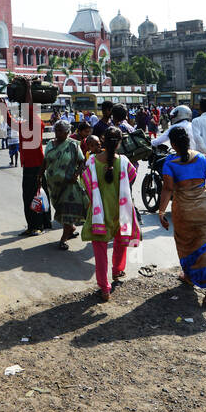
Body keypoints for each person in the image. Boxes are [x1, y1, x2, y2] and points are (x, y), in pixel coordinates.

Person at [158, 126, 206, 307]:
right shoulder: (202, 157)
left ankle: (188, 275)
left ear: (173, 144)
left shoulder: (169, 163)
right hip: (205, 209)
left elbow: (167, 189)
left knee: (185, 243)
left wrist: (160, 212)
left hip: (183, 211)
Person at [81, 127, 141, 302]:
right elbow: (131, 177)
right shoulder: (124, 161)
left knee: (100, 250)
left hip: (100, 212)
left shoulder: (92, 161)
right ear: (120, 142)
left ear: (103, 140)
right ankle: (117, 270)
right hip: (120, 210)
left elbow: (84, 183)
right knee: (120, 241)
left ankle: (105, 288)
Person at [15, 89, 53, 236]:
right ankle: (32, 225)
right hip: (28, 167)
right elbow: (9, 118)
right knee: (28, 197)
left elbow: (29, 106)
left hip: (37, 166)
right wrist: (2, 106)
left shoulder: (37, 123)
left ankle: (39, 225)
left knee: (37, 196)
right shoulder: (23, 125)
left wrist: (28, 87)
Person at [44, 120, 87, 250]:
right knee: (60, 208)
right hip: (54, 185)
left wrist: (75, 175)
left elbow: (82, 162)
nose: (57, 133)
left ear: (67, 132)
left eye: (60, 130)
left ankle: (64, 239)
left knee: (67, 210)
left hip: (69, 184)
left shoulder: (73, 145)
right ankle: (71, 228)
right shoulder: (50, 144)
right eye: (56, 130)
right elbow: (45, 161)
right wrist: (39, 176)